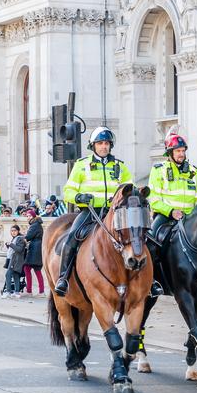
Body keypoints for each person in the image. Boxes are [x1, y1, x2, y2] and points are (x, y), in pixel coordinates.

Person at [54, 126, 133, 296]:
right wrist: (79, 198)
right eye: (100, 143)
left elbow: (130, 190)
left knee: (139, 237)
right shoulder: (81, 165)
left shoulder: (120, 167)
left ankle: (149, 280)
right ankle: (63, 278)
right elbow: (68, 192)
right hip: (90, 211)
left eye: (106, 143)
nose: (104, 146)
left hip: (115, 213)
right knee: (72, 237)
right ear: (93, 146)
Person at [148, 132, 197, 296]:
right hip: (165, 216)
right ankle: (151, 281)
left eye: (183, 150)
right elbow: (153, 198)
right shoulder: (159, 171)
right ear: (170, 153)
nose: (181, 154)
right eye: (178, 151)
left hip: (190, 218)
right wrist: (171, 211)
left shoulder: (194, 172)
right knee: (150, 242)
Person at [24, 209, 45, 296]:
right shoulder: (37, 224)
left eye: (29, 216)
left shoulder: (34, 225)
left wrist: (22, 237)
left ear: (33, 216)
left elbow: (28, 236)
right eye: (27, 216)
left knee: (27, 268)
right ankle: (41, 291)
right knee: (37, 270)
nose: (28, 218)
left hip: (34, 249)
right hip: (37, 248)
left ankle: (29, 291)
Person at [2, 225, 27, 298]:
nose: (13, 232)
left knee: (8, 274)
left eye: (15, 231)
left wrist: (11, 244)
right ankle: (17, 292)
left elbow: (19, 249)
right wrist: (9, 245)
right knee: (16, 275)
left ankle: (8, 292)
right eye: (12, 231)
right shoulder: (15, 238)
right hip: (15, 259)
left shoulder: (20, 239)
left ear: (18, 231)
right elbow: (14, 249)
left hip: (16, 260)